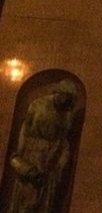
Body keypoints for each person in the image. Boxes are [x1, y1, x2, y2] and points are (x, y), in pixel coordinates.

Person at [6, 80, 80, 213]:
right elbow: (26, 128)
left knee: (44, 198)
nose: (64, 101)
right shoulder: (38, 105)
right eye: (64, 96)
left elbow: (63, 139)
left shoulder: (67, 112)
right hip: (33, 151)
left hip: (52, 155)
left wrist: (58, 162)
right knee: (27, 195)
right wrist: (20, 151)